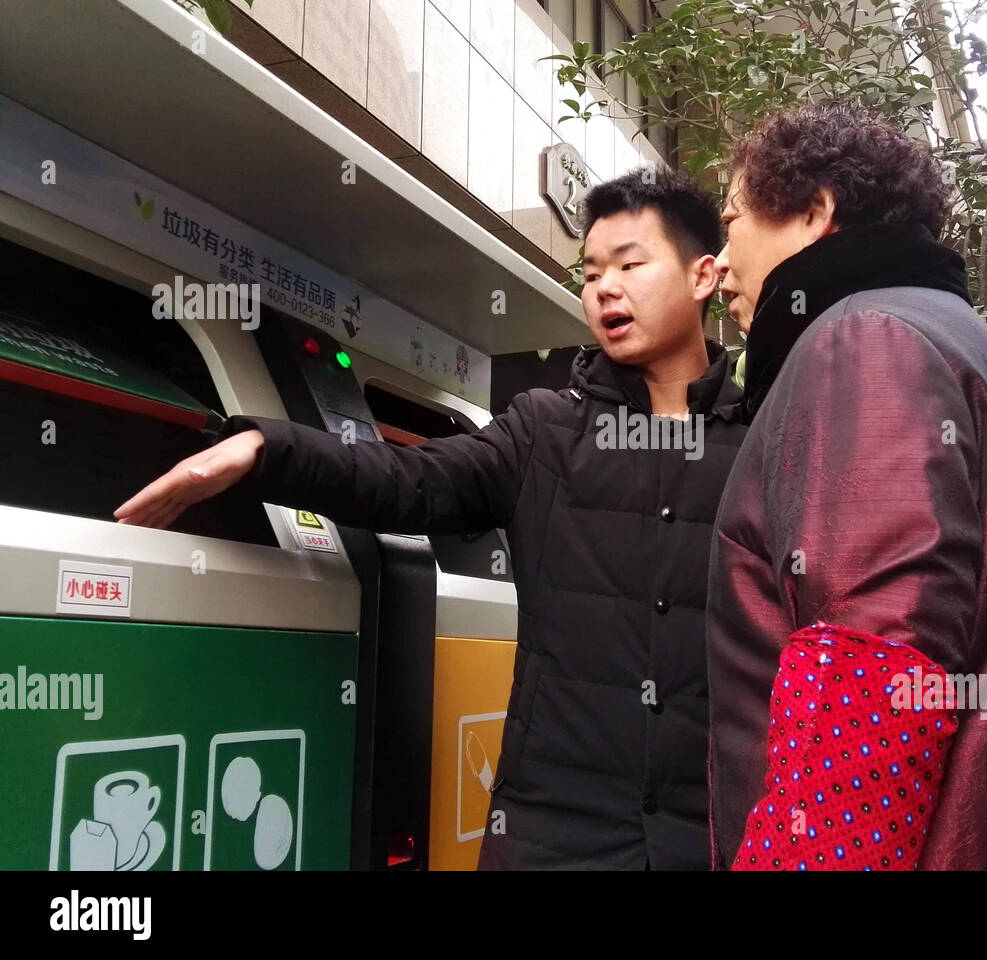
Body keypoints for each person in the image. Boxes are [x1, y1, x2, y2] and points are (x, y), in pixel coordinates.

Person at [115, 168, 749, 870]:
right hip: (551, 839)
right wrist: (265, 446)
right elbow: (406, 480)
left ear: (703, 277)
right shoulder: (545, 434)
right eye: (592, 270)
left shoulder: (762, 445)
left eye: (632, 264)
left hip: (710, 838)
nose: (605, 288)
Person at [705, 101, 987, 870]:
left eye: (732, 219)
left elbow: (870, 680)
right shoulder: (931, 329)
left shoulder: (864, 341)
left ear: (814, 212)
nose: (717, 264)